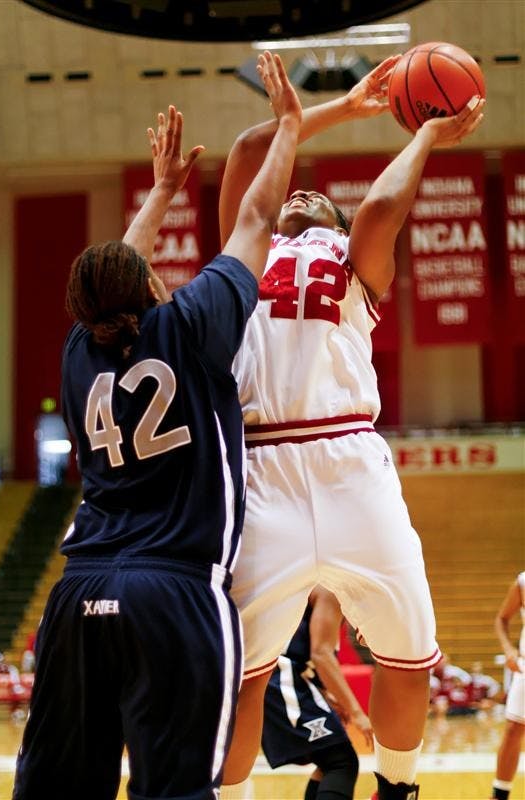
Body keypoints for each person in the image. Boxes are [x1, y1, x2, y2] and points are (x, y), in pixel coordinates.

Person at [12, 51, 302, 800]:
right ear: (149, 286)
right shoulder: (193, 324)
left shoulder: (79, 353)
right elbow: (258, 219)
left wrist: (163, 190)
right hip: (171, 589)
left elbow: (115, 270)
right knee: (172, 791)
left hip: (78, 595)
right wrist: (289, 130)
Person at [218, 55, 485, 800]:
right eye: (294, 188)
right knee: (245, 669)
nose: (303, 190)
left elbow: (376, 212)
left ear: (331, 228)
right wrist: (343, 110)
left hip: (346, 459)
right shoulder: (246, 246)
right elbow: (247, 152)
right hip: (261, 469)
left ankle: (395, 786)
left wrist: (427, 135)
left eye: (319, 199)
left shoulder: (351, 258)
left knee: (407, 655)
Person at [261, 586, 373, 800]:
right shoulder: (331, 587)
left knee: (329, 762)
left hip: (281, 678)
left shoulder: (315, 583)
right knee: (341, 761)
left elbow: (300, 648)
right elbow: (321, 654)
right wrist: (357, 713)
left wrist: (324, 693)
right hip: (281, 681)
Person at [490, 572, 525, 800]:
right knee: (513, 729)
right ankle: (499, 795)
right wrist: (509, 650)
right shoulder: (523, 582)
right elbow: (501, 619)